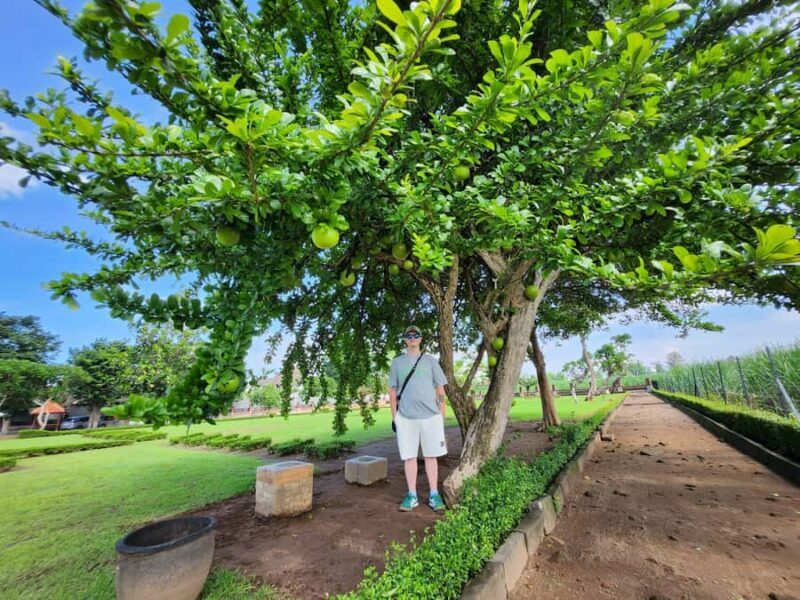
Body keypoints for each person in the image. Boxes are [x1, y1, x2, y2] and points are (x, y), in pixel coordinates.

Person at [389, 325, 448, 512]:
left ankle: (433, 494)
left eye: (416, 335)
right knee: (409, 457)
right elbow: (392, 390)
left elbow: (440, 388)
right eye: (409, 335)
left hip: (431, 417)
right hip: (406, 418)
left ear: (421, 339)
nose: (413, 338)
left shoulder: (430, 361)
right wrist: (395, 416)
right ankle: (412, 495)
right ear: (405, 339)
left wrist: (442, 415)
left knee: (431, 456)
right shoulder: (397, 363)